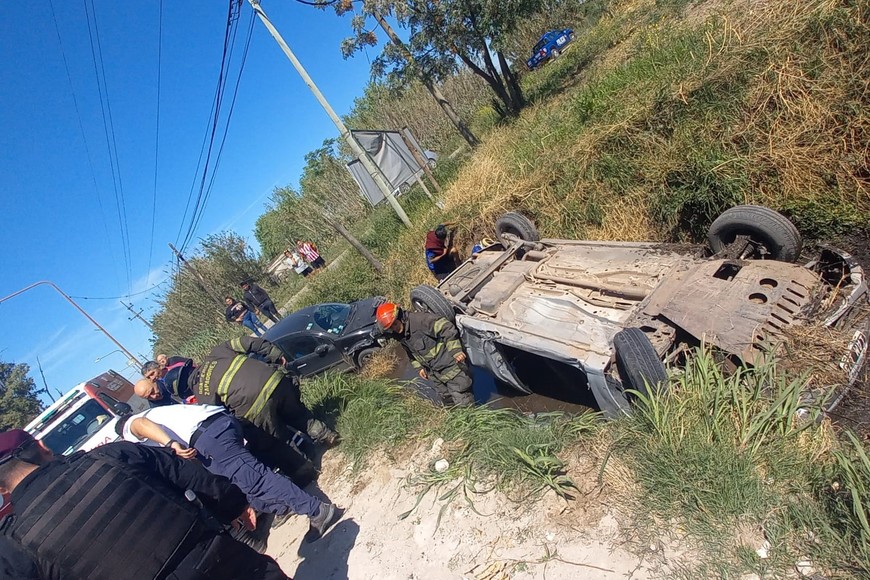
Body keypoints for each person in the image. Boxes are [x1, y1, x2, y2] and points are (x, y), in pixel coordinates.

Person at [0, 429, 290, 580]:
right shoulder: (111, 455)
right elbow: (195, 478)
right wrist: (236, 507)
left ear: (1, 489)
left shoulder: (13, 545)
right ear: (42, 446)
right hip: (216, 557)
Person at [114, 405, 340, 542]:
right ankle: (282, 507)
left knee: (257, 479)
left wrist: (171, 443)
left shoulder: (131, 426)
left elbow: (141, 424)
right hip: (215, 430)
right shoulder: (159, 412)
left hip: (209, 436)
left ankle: (318, 511)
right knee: (240, 484)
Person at [186, 336, 339, 473]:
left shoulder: (201, 390)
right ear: (194, 366)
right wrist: (275, 354)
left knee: (279, 440)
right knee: (297, 413)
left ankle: (306, 470)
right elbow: (249, 342)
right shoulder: (217, 351)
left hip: (255, 409)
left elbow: (218, 417)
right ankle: (327, 435)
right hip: (275, 381)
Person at [375, 302, 474, 407]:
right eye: (391, 327)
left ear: (400, 316)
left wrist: (456, 350)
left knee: (463, 400)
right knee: (447, 400)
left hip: (452, 367)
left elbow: (446, 327)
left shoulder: (420, 321)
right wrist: (419, 368)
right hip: (435, 374)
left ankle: (473, 422)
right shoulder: (402, 335)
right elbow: (410, 353)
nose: (395, 328)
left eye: (395, 323)